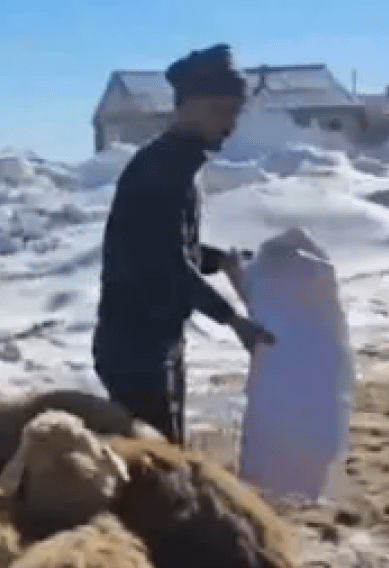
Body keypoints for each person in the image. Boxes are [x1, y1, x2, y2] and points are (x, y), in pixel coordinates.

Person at [93, 43, 275, 446]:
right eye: (220, 112)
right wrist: (233, 320)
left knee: (164, 455)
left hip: (153, 340)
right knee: (159, 464)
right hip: (135, 348)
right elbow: (165, 265)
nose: (229, 126)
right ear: (189, 105)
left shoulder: (178, 162)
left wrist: (218, 259)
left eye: (234, 114)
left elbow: (168, 246)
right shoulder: (162, 169)